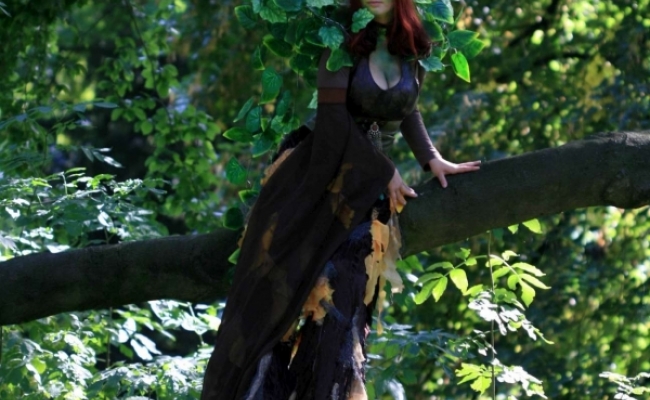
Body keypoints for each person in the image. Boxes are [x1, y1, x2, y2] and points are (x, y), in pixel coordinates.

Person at [201, 1, 481, 399]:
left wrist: (431, 158)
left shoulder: (417, 46)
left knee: (343, 291)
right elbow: (333, 121)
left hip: (367, 191)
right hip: (316, 178)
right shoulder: (340, 39)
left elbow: (408, 109)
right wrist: (386, 170)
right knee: (280, 297)